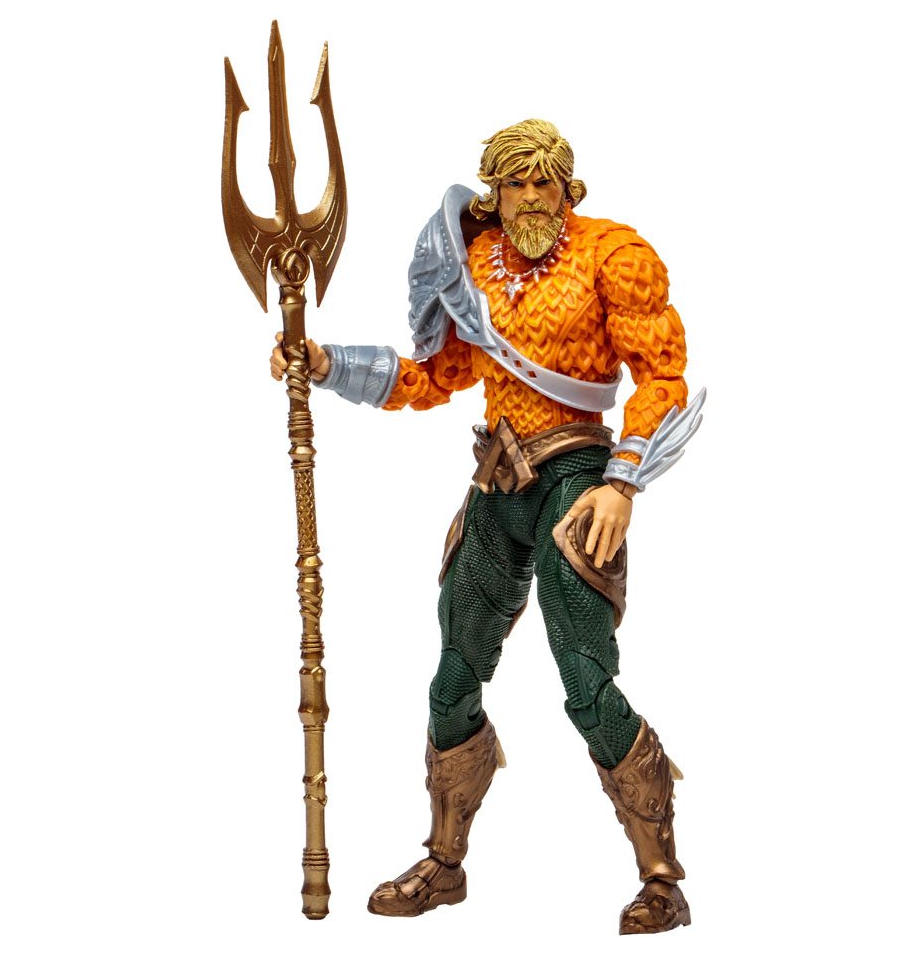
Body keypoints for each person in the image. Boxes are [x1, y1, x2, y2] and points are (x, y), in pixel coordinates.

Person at [270, 119, 703, 935]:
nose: (530, 196)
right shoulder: (473, 267)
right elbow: (435, 376)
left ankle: (660, 877)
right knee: (452, 676)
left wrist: (623, 482)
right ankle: (444, 862)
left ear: (567, 188)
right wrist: (329, 365)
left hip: (577, 478)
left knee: (585, 678)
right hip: (498, 480)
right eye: (515, 183)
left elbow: (662, 376)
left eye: (544, 181)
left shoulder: (612, 256)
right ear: (494, 193)